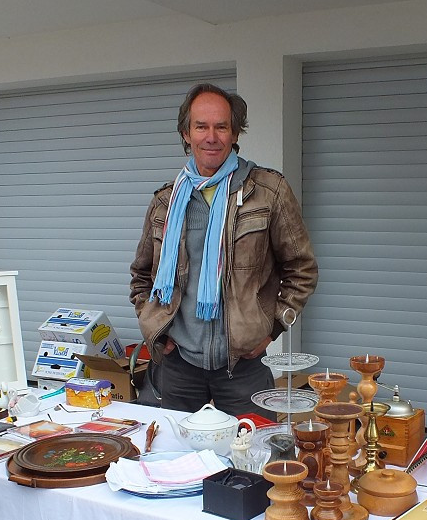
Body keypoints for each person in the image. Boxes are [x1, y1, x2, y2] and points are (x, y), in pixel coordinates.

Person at [129, 83, 318, 415]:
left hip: (243, 367)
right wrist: (153, 325)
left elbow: (302, 269)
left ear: (234, 134)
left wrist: (272, 327)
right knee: (174, 460)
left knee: (255, 459)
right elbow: (141, 275)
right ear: (186, 134)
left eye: (221, 126)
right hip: (177, 365)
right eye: (201, 126)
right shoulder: (165, 202)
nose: (211, 136)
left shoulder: (268, 192)